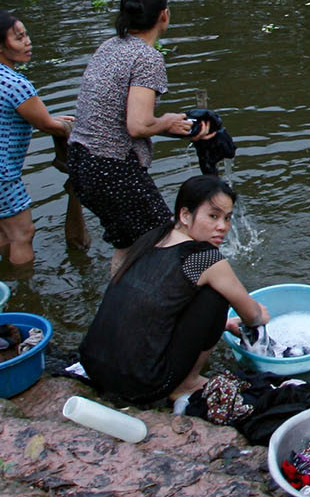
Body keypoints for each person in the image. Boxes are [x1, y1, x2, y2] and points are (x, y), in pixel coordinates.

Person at [79, 174, 268, 407]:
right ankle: (186, 383)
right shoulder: (203, 257)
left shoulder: (152, 238)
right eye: (213, 216)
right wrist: (260, 312)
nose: (223, 227)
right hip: (143, 385)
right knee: (217, 295)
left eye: (227, 218)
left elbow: (156, 306)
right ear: (185, 215)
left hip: (92, 365)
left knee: (198, 290)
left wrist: (219, 325)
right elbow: (252, 316)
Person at [64, 0, 213, 271]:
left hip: (81, 163)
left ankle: (117, 308)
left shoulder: (109, 46)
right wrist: (165, 121)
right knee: (170, 240)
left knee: (130, 245)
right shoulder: (147, 57)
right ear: (164, 15)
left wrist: (166, 127)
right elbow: (137, 125)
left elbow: (117, 116)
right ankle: (166, 310)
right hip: (111, 169)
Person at [0, 10, 74, 268]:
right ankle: (22, 285)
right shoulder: (15, 83)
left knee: (2, 228)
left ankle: (4, 271)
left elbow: (13, 114)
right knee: (23, 234)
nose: (27, 42)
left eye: (25, 35)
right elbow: (45, 124)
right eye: (19, 38)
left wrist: (52, 119)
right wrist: (66, 128)